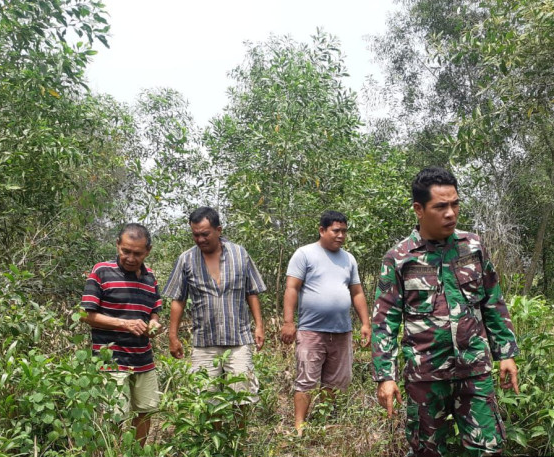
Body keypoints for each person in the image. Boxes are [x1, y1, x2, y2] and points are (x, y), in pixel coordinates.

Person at [371, 167, 520, 457]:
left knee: (488, 448)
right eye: (440, 207)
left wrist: (506, 353)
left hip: (474, 369)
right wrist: (385, 376)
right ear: (419, 209)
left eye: (455, 204)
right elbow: (384, 322)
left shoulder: (473, 247)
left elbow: (493, 302)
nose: (451, 213)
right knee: (427, 451)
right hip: (425, 375)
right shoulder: (399, 258)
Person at [280, 210, 371, 435]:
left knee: (336, 381)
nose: (341, 236)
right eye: (336, 230)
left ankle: (325, 423)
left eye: (344, 231)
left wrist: (365, 323)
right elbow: (292, 288)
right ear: (322, 230)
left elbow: (357, 292)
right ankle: (300, 427)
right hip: (311, 330)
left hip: (341, 331)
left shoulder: (348, 259)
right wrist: (288, 322)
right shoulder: (304, 254)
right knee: (306, 379)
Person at [164, 207, 267, 402]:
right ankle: (213, 425)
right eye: (195, 235)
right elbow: (178, 299)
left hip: (238, 339)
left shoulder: (240, 254)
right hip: (204, 342)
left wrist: (259, 326)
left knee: (242, 397)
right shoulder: (186, 259)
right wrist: (173, 336)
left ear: (218, 230)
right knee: (205, 400)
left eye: (205, 234)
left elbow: (251, 292)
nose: (200, 239)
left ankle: (239, 423)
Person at [80, 223, 162, 446]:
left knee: (146, 410)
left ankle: (136, 451)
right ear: (117, 245)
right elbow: (85, 315)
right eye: (126, 251)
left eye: (137, 253)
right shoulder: (101, 272)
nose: (130, 258)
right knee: (114, 416)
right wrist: (124, 324)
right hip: (111, 361)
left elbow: (154, 311)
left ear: (148, 251)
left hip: (143, 360)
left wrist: (154, 324)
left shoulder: (150, 278)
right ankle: (114, 451)